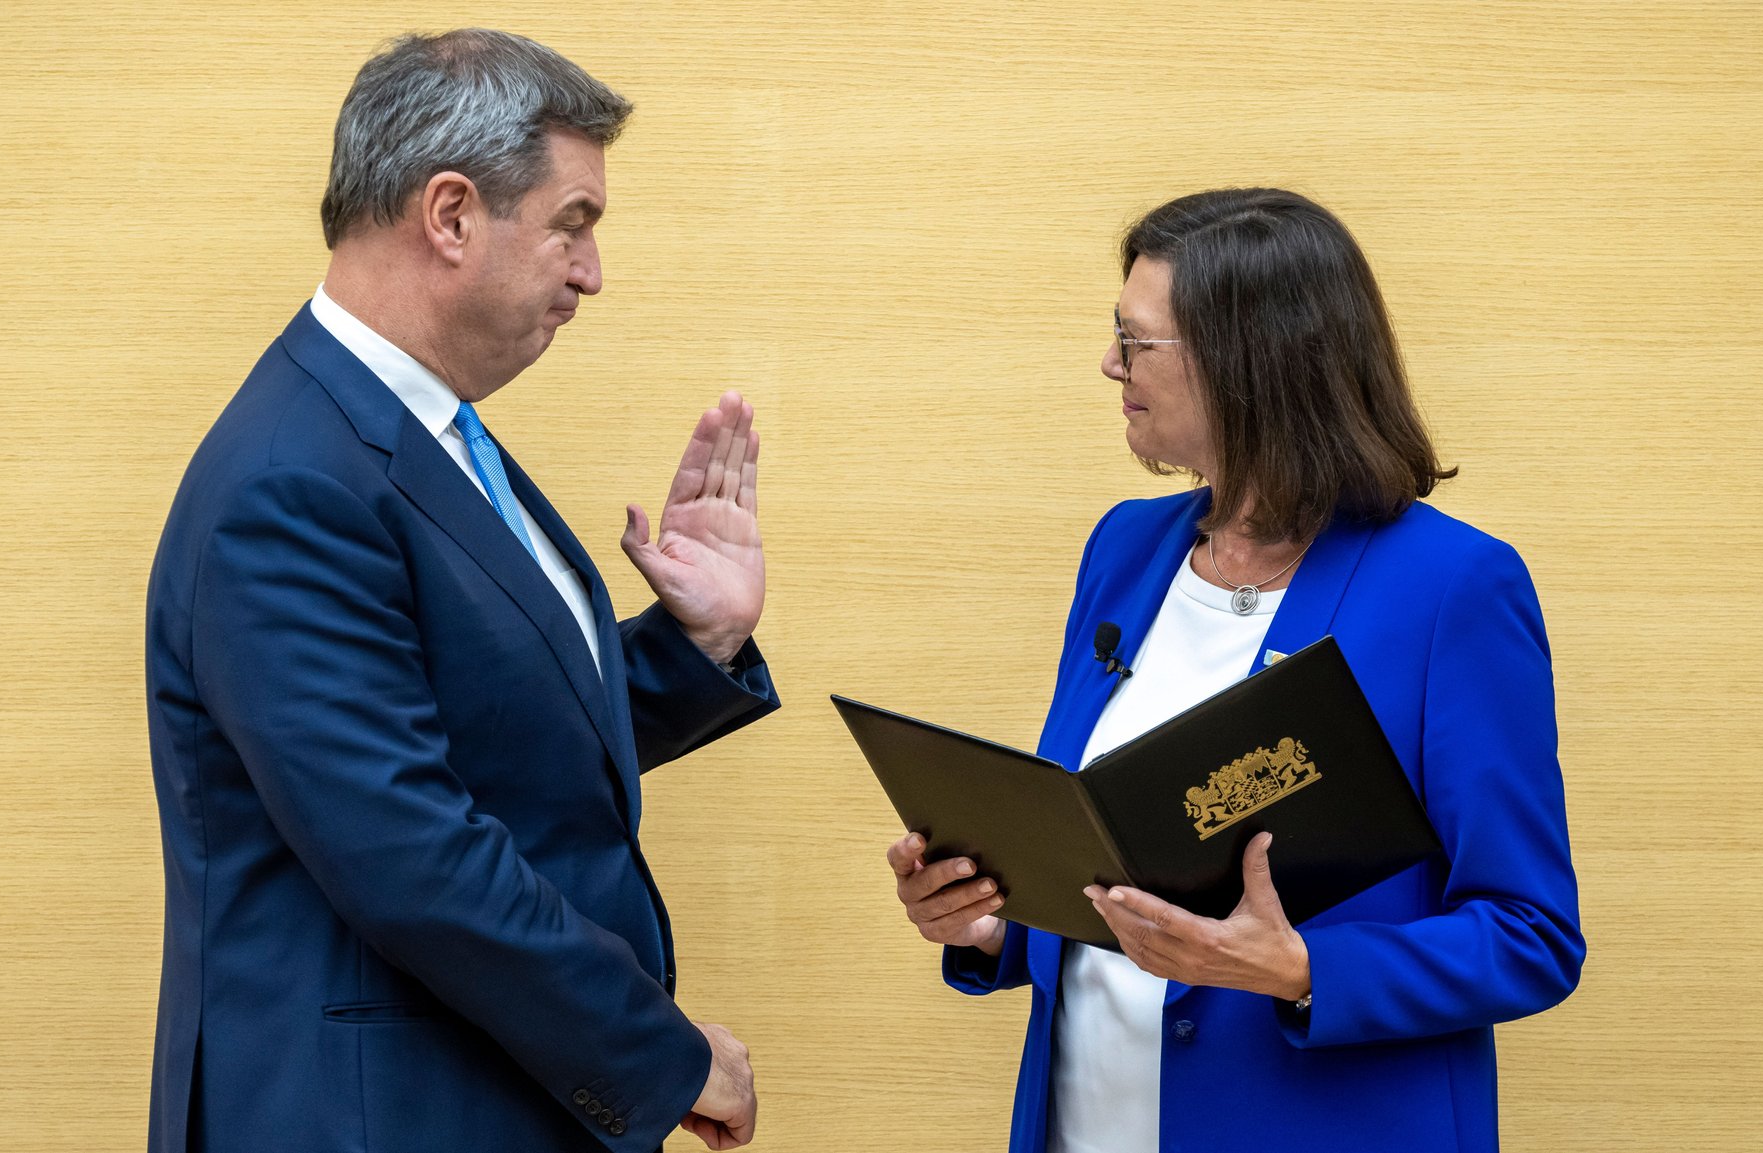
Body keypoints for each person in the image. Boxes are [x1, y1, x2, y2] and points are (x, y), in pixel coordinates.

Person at [145, 30, 776, 1153]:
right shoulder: (294, 480)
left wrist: (701, 645)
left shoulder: (414, 433)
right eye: (571, 226)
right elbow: (413, 857)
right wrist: (664, 1056)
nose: (591, 273)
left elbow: (490, 731)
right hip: (372, 1116)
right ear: (449, 215)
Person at [884, 188, 1584, 1153]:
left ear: (1243, 365)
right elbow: (1116, 864)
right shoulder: (1126, 549)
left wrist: (1302, 968)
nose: (1109, 364)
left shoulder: (1452, 588)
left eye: (1135, 341)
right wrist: (990, 924)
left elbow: (1530, 934)